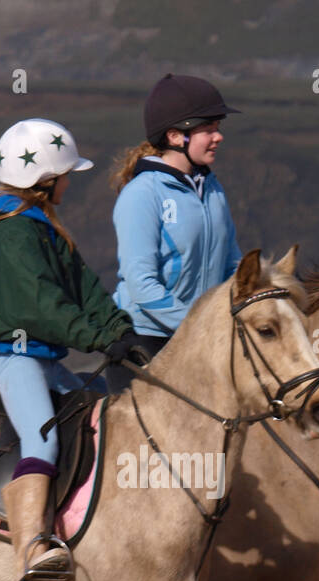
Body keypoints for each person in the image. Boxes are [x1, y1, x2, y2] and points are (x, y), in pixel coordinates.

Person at [0, 118, 138, 581]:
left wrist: (121, 331)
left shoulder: (47, 231)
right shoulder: (13, 235)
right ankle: (31, 547)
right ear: (46, 179)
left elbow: (86, 291)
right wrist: (97, 341)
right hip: (13, 358)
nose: (70, 182)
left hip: (47, 357)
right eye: (66, 174)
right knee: (43, 441)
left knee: (100, 416)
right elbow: (42, 306)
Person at [108, 74, 244, 391]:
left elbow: (233, 265)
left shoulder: (213, 189)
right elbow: (141, 283)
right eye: (208, 129)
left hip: (200, 339)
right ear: (174, 136)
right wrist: (198, 325)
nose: (218, 137)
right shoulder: (141, 194)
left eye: (218, 127)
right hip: (146, 342)